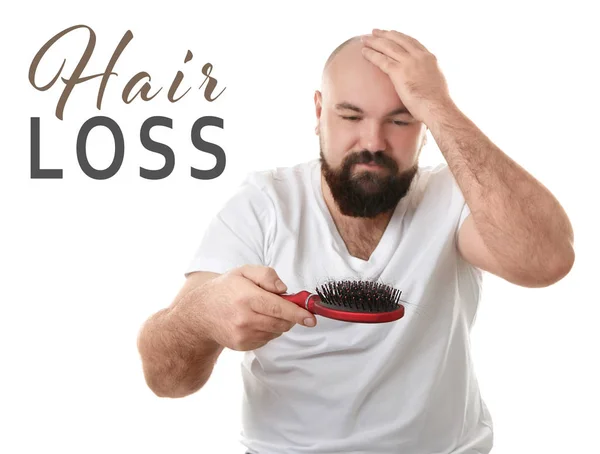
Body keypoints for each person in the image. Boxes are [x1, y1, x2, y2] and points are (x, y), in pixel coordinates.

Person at [136, 29, 575, 454]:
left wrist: (439, 106)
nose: (373, 142)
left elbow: (548, 260)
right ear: (318, 112)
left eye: (401, 119)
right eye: (350, 116)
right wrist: (202, 317)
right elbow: (166, 379)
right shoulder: (265, 204)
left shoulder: (457, 199)